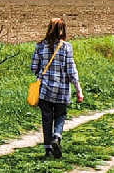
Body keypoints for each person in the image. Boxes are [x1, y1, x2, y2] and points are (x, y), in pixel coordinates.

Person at [32, 17, 83, 158]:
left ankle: (48, 148)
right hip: (62, 91)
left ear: (49, 29)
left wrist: (42, 74)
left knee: (46, 118)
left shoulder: (40, 46)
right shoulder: (67, 47)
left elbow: (34, 67)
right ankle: (56, 137)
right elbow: (71, 71)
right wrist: (79, 90)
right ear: (63, 30)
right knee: (61, 115)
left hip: (45, 91)